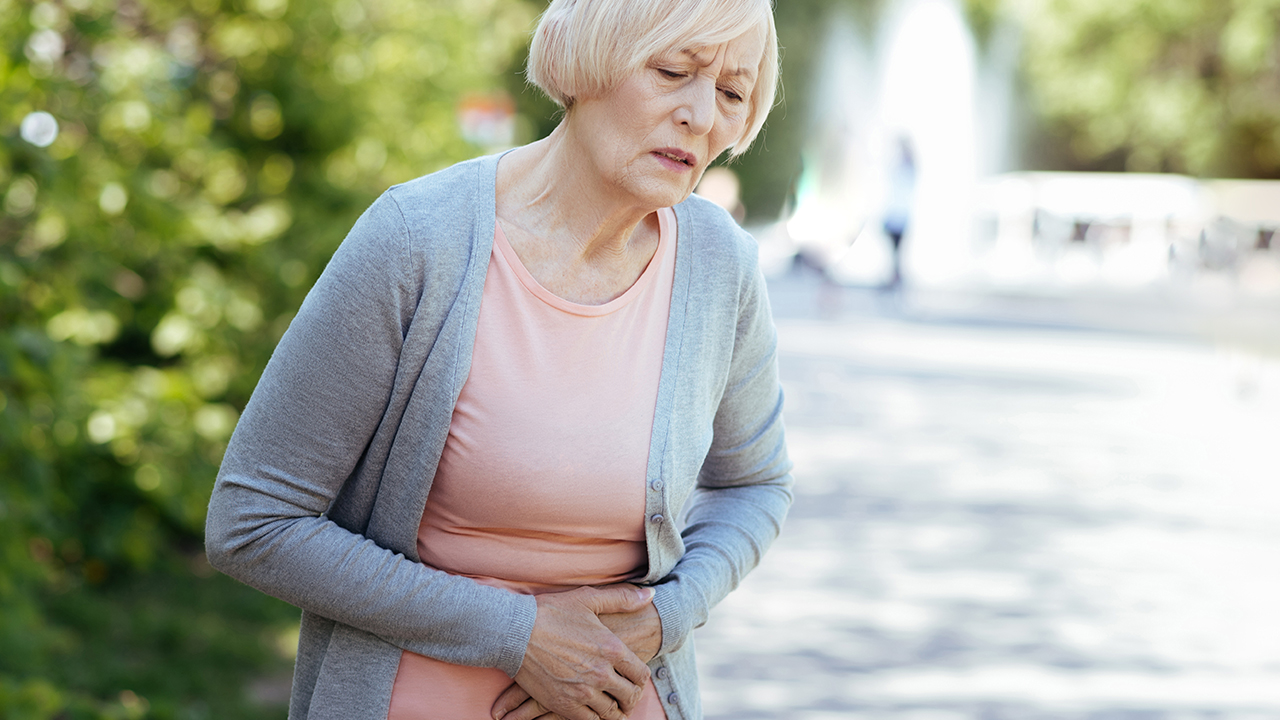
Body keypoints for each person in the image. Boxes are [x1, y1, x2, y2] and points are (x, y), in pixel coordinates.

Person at [203, 0, 791, 718]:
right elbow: (253, 521)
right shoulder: (416, 241)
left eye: (733, 92)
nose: (703, 116)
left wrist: (666, 614)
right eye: (674, 71)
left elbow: (754, 485)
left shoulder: (719, 264)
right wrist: (519, 635)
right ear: (587, 61)